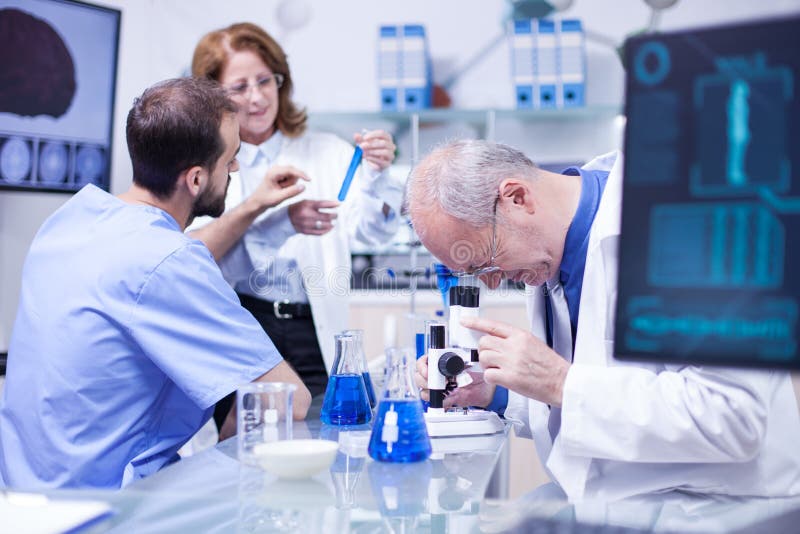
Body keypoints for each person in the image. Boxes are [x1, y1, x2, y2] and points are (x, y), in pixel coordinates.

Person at [406, 139, 800, 500]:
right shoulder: (548, 249)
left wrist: (560, 382)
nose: (492, 282)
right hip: (623, 504)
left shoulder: (684, 223)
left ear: (517, 197)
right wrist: (496, 392)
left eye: (485, 263)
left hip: (717, 510)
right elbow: (598, 384)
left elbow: (732, 418)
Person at [0, 77, 311, 489]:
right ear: (196, 180)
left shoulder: (68, 222)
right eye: (231, 159)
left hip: (22, 498)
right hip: (107, 509)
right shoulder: (170, 261)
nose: (235, 168)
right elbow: (285, 401)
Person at [188, 22, 402, 405]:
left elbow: (372, 232)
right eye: (239, 87)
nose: (256, 98)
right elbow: (194, 256)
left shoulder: (325, 151)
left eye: (265, 81)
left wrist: (376, 178)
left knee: (325, 436)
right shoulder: (205, 164)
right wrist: (277, 221)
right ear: (212, 95)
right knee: (246, 447)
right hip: (243, 325)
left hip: (312, 329)